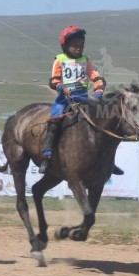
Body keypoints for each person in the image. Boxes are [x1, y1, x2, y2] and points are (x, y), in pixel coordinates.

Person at [39, 26, 106, 174]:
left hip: (83, 99)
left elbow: (96, 77)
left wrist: (99, 91)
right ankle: (47, 155)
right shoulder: (59, 59)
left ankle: (105, 158)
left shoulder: (85, 60)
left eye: (81, 45)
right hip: (64, 100)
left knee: (102, 119)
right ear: (65, 46)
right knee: (55, 120)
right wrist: (62, 87)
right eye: (75, 45)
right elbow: (54, 80)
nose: (78, 48)